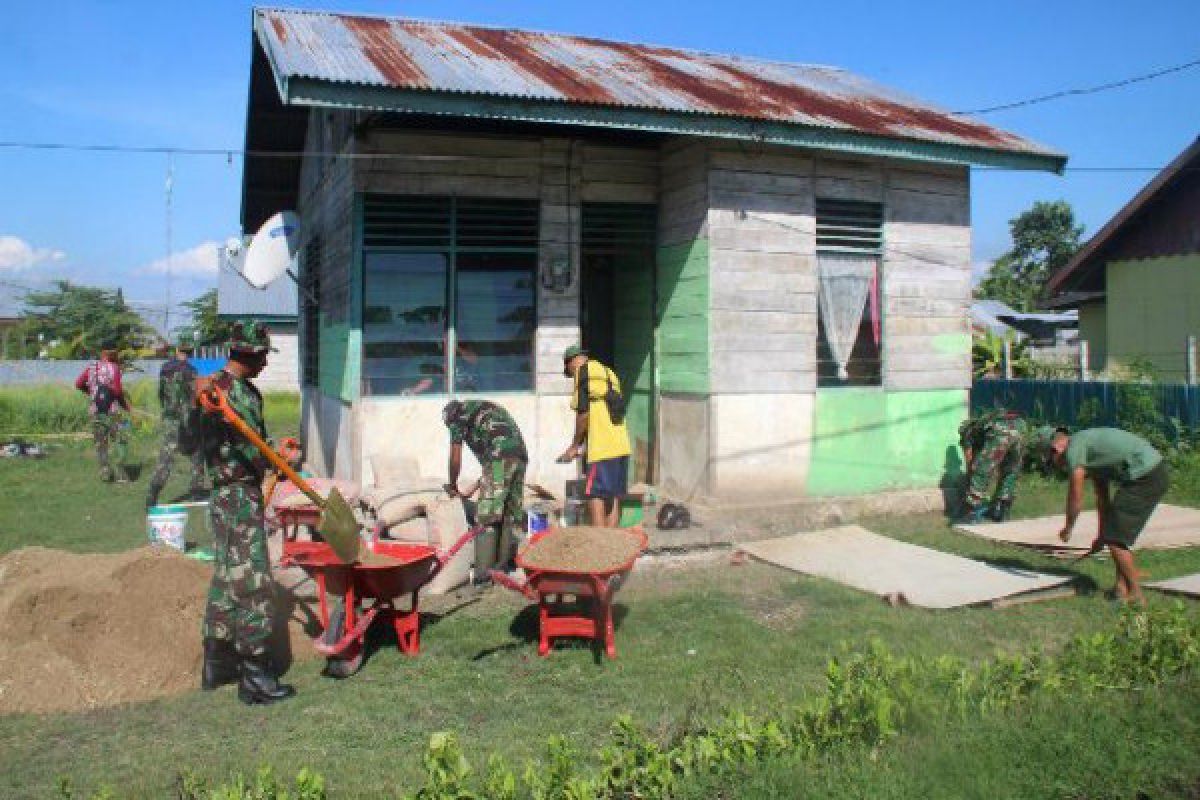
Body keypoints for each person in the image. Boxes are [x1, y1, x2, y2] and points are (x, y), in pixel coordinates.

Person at [197, 320, 294, 705]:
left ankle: (218, 662)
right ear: (248, 353)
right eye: (263, 357)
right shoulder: (220, 391)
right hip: (235, 494)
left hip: (233, 493)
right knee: (254, 582)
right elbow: (240, 446)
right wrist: (274, 461)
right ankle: (255, 676)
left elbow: (251, 440)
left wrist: (277, 452)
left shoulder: (240, 391)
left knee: (225, 576)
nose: (266, 364)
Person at [1042, 426, 1169, 606]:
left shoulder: (1074, 450)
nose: (1057, 466)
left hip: (1145, 477)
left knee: (1116, 539)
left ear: (1056, 448)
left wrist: (1068, 528)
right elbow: (1103, 500)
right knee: (1114, 535)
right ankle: (1121, 588)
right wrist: (1101, 535)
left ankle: (1136, 596)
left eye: (1051, 461)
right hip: (1151, 473)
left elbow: (1075, 497)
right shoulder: (1091, 453)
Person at [442, 399, 528, 580]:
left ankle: (483, 575)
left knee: (487, 514)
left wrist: (452, 483)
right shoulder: (479, 411)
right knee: (510, 513)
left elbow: (455, 457)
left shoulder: (456, 417)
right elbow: (497, 470)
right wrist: (472, 488)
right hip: (519, 456)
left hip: (499, 459)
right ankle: (505, 567)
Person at [558, 345, 631, 528]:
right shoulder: (608, 373)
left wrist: (574, 446)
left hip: (602, 447)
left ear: (572, 362)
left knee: (594, 494)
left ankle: (597, 545)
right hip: (621, 445)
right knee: (612, 495)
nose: (571, 373)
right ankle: (610, 545)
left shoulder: (582, 372)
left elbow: (583, 414)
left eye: (568, 369)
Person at [145, 332, 206, 509]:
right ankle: (196, 490)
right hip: (188, 421)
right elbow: (196, 398)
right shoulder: (192, 371)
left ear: (178, 349)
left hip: (171, 420)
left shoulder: (165, 368)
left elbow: (161, 394)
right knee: (197, 453)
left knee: (166, 459)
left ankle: (152, 495)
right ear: (192, 350)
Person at [956, 408, 1026, 523]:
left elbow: (970, 461)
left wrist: (971, 475)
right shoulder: (981, 424)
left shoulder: (966, 433)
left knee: (981, 470)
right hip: (1020, 426)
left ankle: (971, 513)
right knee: (1011, 470)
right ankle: (1001, 511)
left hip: (1001, 429)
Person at [74, 346, 131, 483]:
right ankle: (121, 473)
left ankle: (105, 471)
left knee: (101, 442)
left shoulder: (91, 368)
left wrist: (92, 393)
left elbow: (78, 383)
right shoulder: (114, 368)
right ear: (114, 356)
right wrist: (126, 406)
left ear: (102, 355)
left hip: (96, 411)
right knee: (121, 440)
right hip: (112, 411)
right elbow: (117, 392)